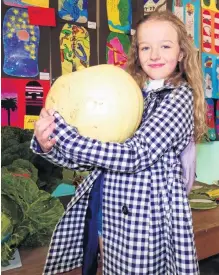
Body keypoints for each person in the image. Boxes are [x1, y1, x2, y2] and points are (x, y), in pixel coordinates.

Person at [31, 10, 206, 275]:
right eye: (146, 47)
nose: (155, 55)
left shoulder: (179, 98)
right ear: (137, 52)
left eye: (165, 46)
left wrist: (68, 136)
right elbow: (96, 155)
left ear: (182, 53)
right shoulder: (131, 92)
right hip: (109, 211)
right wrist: (50, 143)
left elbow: (137, 154)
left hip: (145, 221)